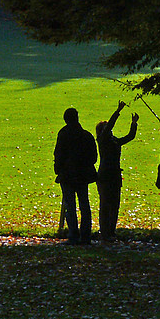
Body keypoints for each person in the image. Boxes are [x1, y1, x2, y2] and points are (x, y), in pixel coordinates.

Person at [53, 107, 98, 244]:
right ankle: (85, 236)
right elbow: (94, 157)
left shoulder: (63, 134)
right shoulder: (86, 135)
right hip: (82, 176)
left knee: (70, 205)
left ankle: (73, 235)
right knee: (84, 204)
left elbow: (58, 154)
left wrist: (58, 169)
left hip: (67, 175)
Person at [95, 101, 139, 243]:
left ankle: (110, 232)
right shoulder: (102, 140)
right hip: (106, 176)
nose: (111, 130)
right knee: (105, 205)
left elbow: (129, 137)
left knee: (114, 205)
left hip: (113, 175)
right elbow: (110, 126)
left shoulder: (113, 141)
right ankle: (105, 232)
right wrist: (118, 111)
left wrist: (134, 124)